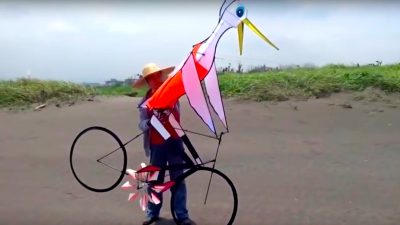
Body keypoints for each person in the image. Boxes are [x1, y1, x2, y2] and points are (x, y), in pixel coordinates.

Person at [132, 63, 193, 225]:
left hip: (174, 142)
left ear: (161, 76)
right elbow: (142, 123)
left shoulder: (171, 93)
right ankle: (152, 213)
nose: (154, 79)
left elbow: (176, 110)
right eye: (150, 78)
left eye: (156, 75)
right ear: (147, 81)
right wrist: (149, 124)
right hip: (156, 145)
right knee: (155, 181)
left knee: (178, 179)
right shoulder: (145, 101)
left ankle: (181, 215)